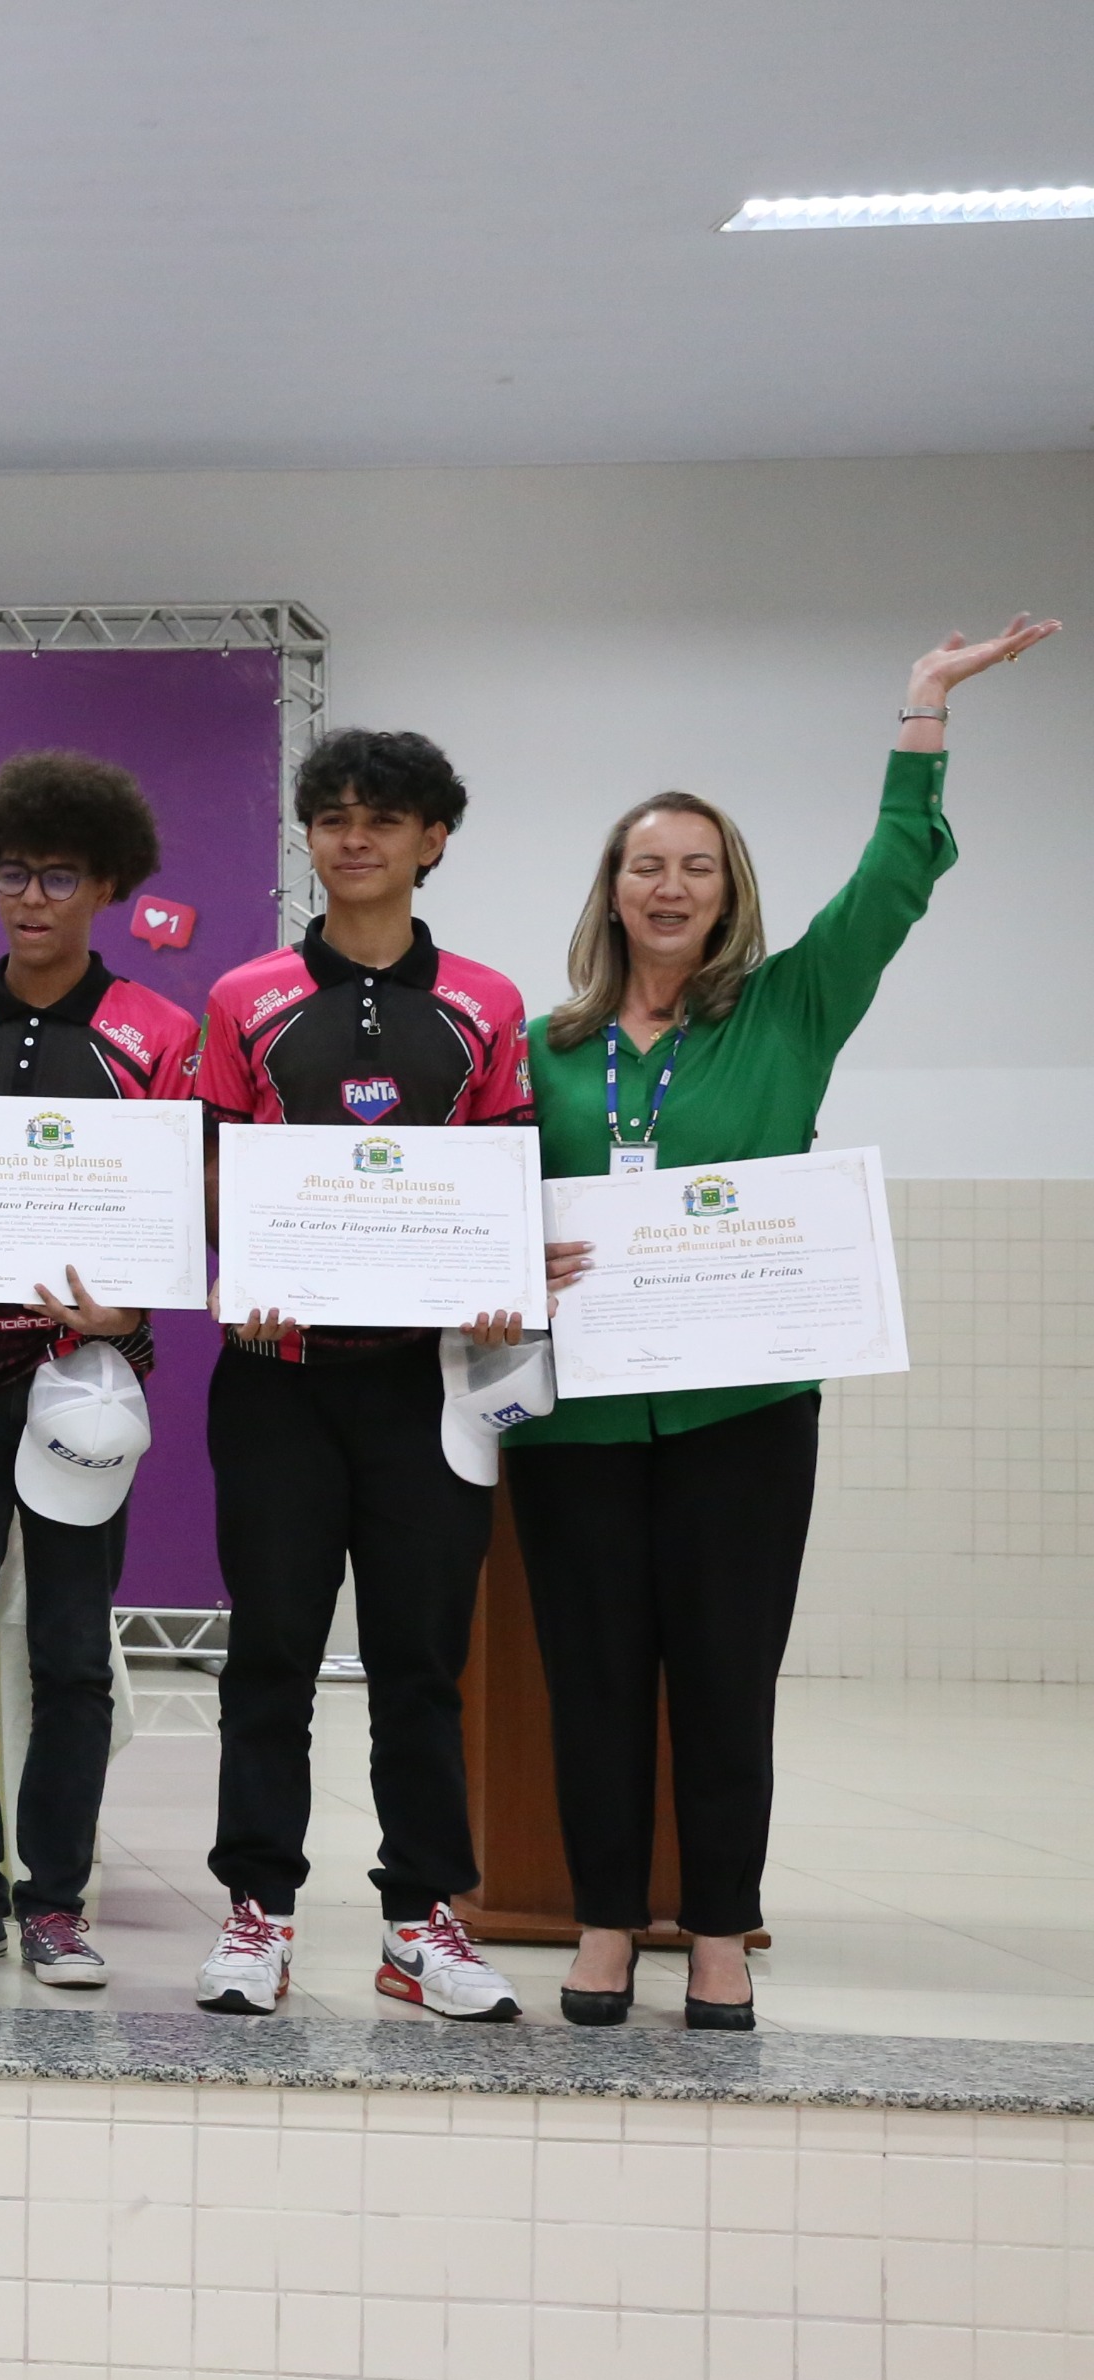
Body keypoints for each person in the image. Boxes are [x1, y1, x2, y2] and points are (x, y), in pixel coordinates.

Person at [521, 617, 1058, 2029]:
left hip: (743, 1415)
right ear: (611, 891)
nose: (670, 886)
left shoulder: (787, 1011)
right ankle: (600, 1925)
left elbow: (891, 885)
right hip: (574, 1419)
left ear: (728, 893)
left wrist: (923, 710)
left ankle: (716, 1932)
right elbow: (480, 1207)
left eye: (697, 867)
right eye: (647, 865)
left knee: (722, 1676)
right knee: (591, 1678)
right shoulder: (541, 1052)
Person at [193, 732, 539, 2020]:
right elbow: (216, 1168)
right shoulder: (244, 996)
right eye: (331, 815)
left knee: (417, 1663)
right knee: (269, 1656)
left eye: (382, 818)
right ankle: (257, 1912)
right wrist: (245, 1254)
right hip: (274, 1375)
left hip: (426, 1384)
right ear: (307, 835)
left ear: (430, 840)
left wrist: (497, 1278)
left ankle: (418, 1922)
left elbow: (503, 1171)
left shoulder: (486, 1003)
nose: (353, 837)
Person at [0, 757, 207, 1988]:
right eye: (12, 874)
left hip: (83, 1385)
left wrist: (133, 1305)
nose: (31, 898)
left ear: (106, 885)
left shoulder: (158, 1037)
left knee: (68, 1656)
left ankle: (54, 1902)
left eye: (58, 877)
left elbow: (179, 1212)